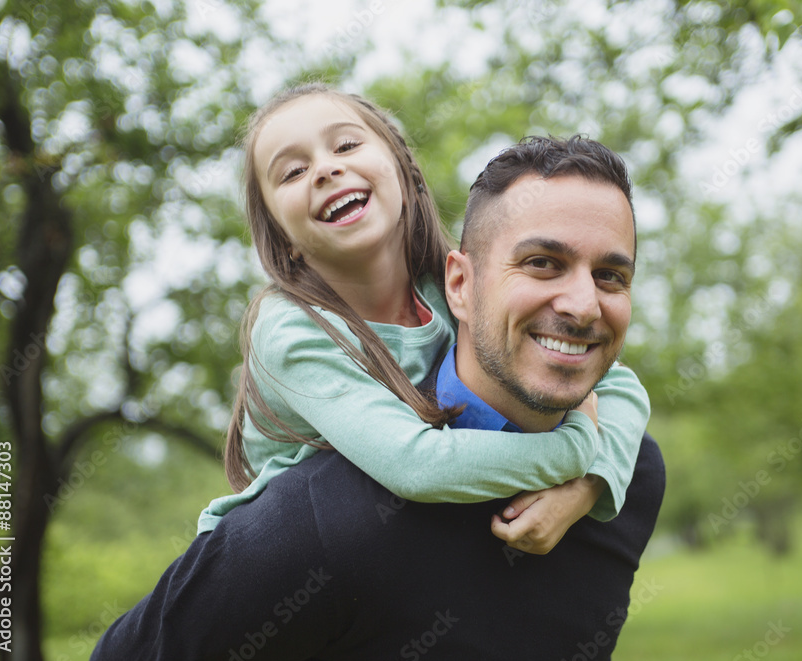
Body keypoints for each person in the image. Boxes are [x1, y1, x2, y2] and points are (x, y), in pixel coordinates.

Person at [91, 134, 665, 661]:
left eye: (611, 275)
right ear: (459, 287)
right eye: (543, 263)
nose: (584, 305)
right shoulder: (320, 521)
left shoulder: (629, 476)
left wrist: (590, 473)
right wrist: (575, 451)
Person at [197, 83, 651, 554]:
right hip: (269, 558)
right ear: (282, 236)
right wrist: (575, 450)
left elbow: (619, 386)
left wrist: (587, 486)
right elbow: (416, 464)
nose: (327, 169)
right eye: (293, 172)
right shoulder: (290, 329)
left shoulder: (445, 284)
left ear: (404, 172)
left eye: (347, 145)